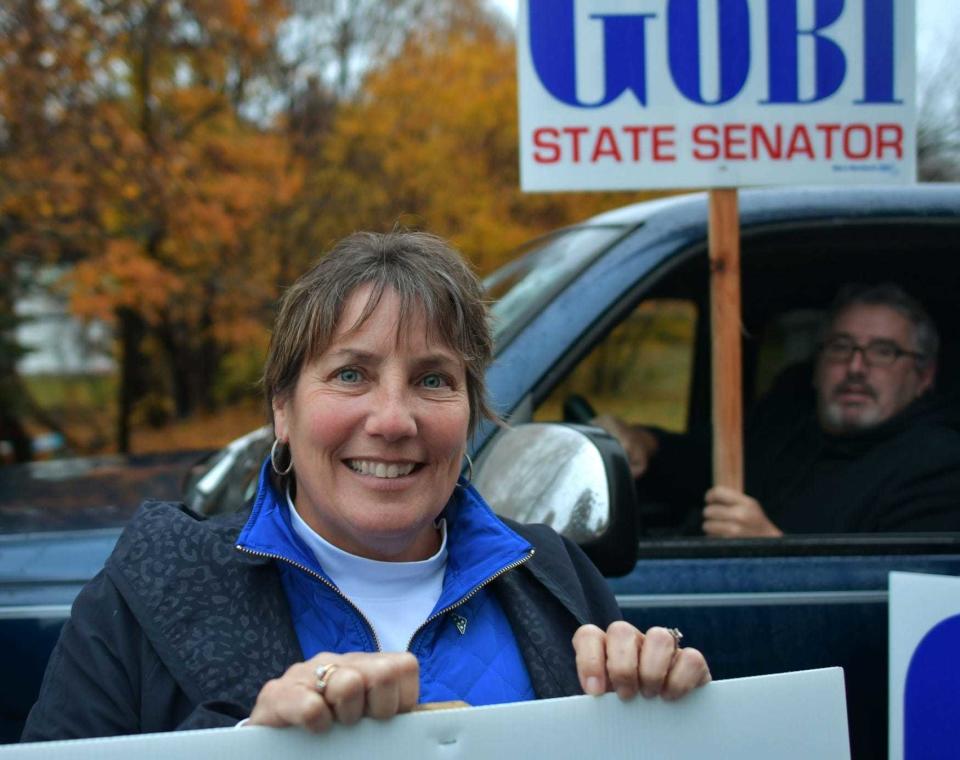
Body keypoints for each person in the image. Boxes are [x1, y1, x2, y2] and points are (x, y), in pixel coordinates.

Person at [22, 231, 710, 741]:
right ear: (282, 410)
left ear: (470, 414)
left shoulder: (551, 578)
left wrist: (669, 721)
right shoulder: (151, 587)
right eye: (350, 374)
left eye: (433, 380)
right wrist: (241, 752)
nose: (392, 420)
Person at [594, 283, 960, 537]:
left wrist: (772, 547)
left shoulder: (938, 467)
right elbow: (703, 463)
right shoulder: (785, 421)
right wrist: (643, 443)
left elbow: (895, 598)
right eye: (840, 347)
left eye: (883, 352)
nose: (855, 368)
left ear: (924, 375)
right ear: (816, 365)